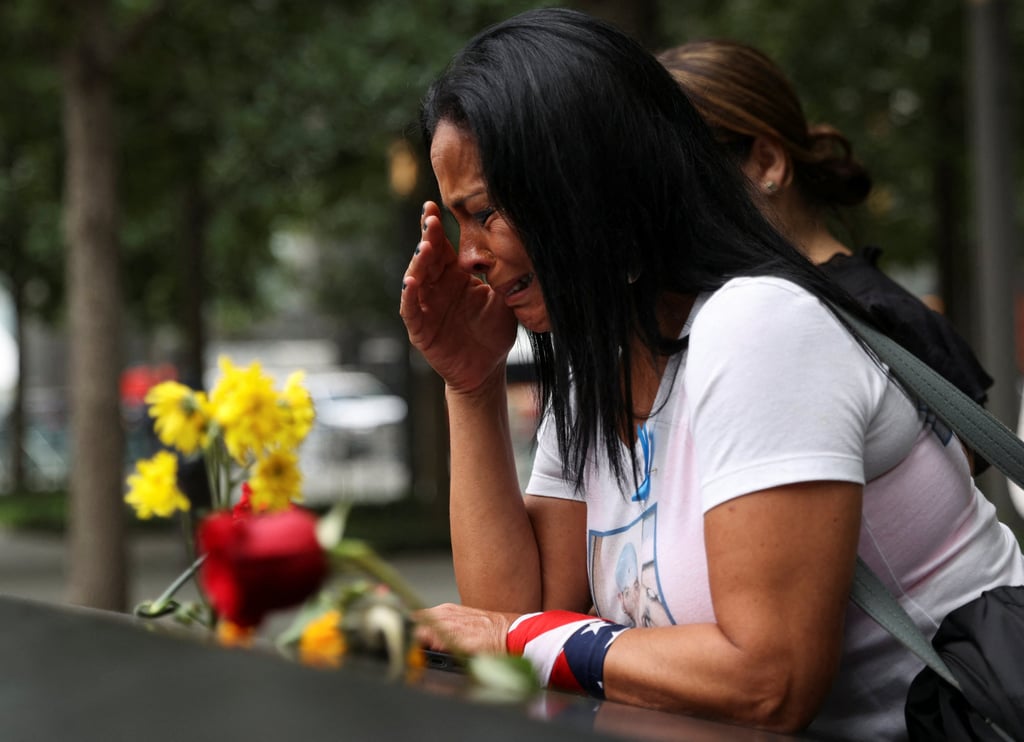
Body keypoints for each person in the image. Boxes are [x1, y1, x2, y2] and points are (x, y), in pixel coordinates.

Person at [399, 8, 1024, 741]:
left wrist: (522, 639)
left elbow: (770, 680)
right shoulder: (597, 366)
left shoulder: (756, 326)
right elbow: (515, 608)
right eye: (457, 221)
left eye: (487, 213)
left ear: (583, 185)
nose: (468, 253)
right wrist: (469, 385)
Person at [657, 40, 993, 411]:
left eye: (684, 173)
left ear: (767, 163)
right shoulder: (697, 310)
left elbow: (957, 462)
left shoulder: (884, 318)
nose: (664, 201)